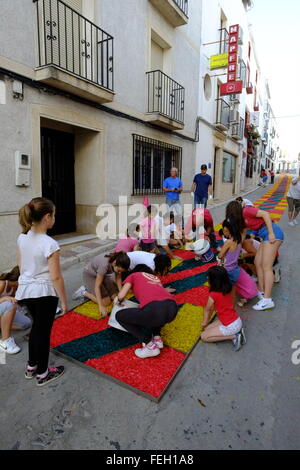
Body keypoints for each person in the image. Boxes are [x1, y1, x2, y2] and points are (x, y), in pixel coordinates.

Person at [15, 197, 67, 386]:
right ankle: (43, 373)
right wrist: (63, 300)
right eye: (54, 215)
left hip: (27, 290)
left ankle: (32, 365)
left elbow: (21, 265)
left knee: (37, 328)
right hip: (44, 293)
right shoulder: (50, 243)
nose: (54, 218)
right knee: (43, 333)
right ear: (47, 217)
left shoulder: (22, 237)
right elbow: (56, 277)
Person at [226, 200, 284, 311]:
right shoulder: (241, 221)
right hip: (265, 235)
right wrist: (233, 251)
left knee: (266, 267)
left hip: (273, 234)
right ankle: (262, 291)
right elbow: (241, 237)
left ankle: (267, 299)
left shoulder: (247, 210)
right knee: (258, 262)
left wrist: (271, 233)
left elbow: (265, 214)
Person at [115, 266, 178, 358]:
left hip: (156, 310)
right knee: (152, 314)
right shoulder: (154, 278)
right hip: (173, 308)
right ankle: (157, 338)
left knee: (119, 316)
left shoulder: (133, 275)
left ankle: (149, 345)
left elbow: (121, 295)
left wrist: (118, 301)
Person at [201, 266, 246, 351]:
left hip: (230, 326)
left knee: (204, 336)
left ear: (214, 280)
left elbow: (207, 309)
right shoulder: (229, 288)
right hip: (235, 320)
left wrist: (205, 322)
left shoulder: (213, 294)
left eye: (209, 277)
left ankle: (234, 336)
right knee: (207, 329)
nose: (207, 278)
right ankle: (238, 332)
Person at [73, 252, 130, 317]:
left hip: (102, 275)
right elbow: (97, 286)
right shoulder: (104, 265)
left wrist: (121, 294)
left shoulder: (118, 260)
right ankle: (83, 292)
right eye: (119, 270)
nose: (119, 273)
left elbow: (118, 278)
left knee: (114, 297)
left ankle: (99, 289)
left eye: (121, 271)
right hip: (90, 276)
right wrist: (101, 306)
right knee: (106, 302)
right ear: (114, 263)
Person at [217, 219, 258, 307]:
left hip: (227, 269)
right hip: (235, 268)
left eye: (225, 231)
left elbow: (220, 256)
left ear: (230, 231)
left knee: (231, 287)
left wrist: (221, 253)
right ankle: (242, 298)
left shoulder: (228, 242)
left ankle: (229, 303)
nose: (224, 233)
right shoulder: (239, 240)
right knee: (237, 284)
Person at [0, 266, 32, 331]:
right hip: (3, 308)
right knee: (8, 304)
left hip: (7, 311)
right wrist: (4, 298)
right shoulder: (2, 284)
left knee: (27, 323)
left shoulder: (14, 287)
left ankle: (2, 325)